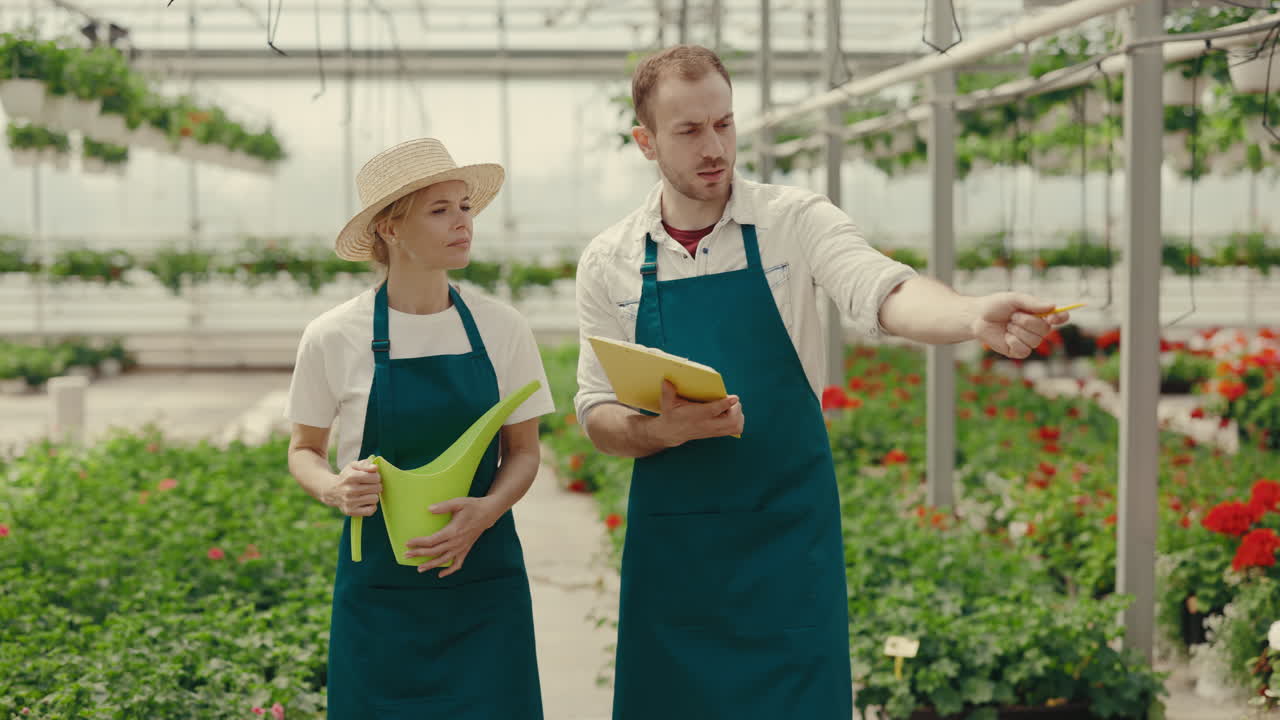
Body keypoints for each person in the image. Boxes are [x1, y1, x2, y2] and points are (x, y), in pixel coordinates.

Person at [573, 45, 1070, 720]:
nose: (714, 146)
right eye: (689, 131)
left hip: (785, 542)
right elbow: (596, 411)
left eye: (724, 123)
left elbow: (882, 288)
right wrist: (661, 431)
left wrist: (968, 316)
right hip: (676, 558)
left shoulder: (792, 222)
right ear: (646, 142)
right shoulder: (612, 261)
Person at [284, 137, 554, 719]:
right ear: (391, 229)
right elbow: (304, 450)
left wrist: (484, 512)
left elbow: (525, 454)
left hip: (484, 585)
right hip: (381, 594)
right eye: (440, 210)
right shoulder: (334, 335)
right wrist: (333, 486)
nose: (464, 223)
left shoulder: (501, 328)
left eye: (464, 206)